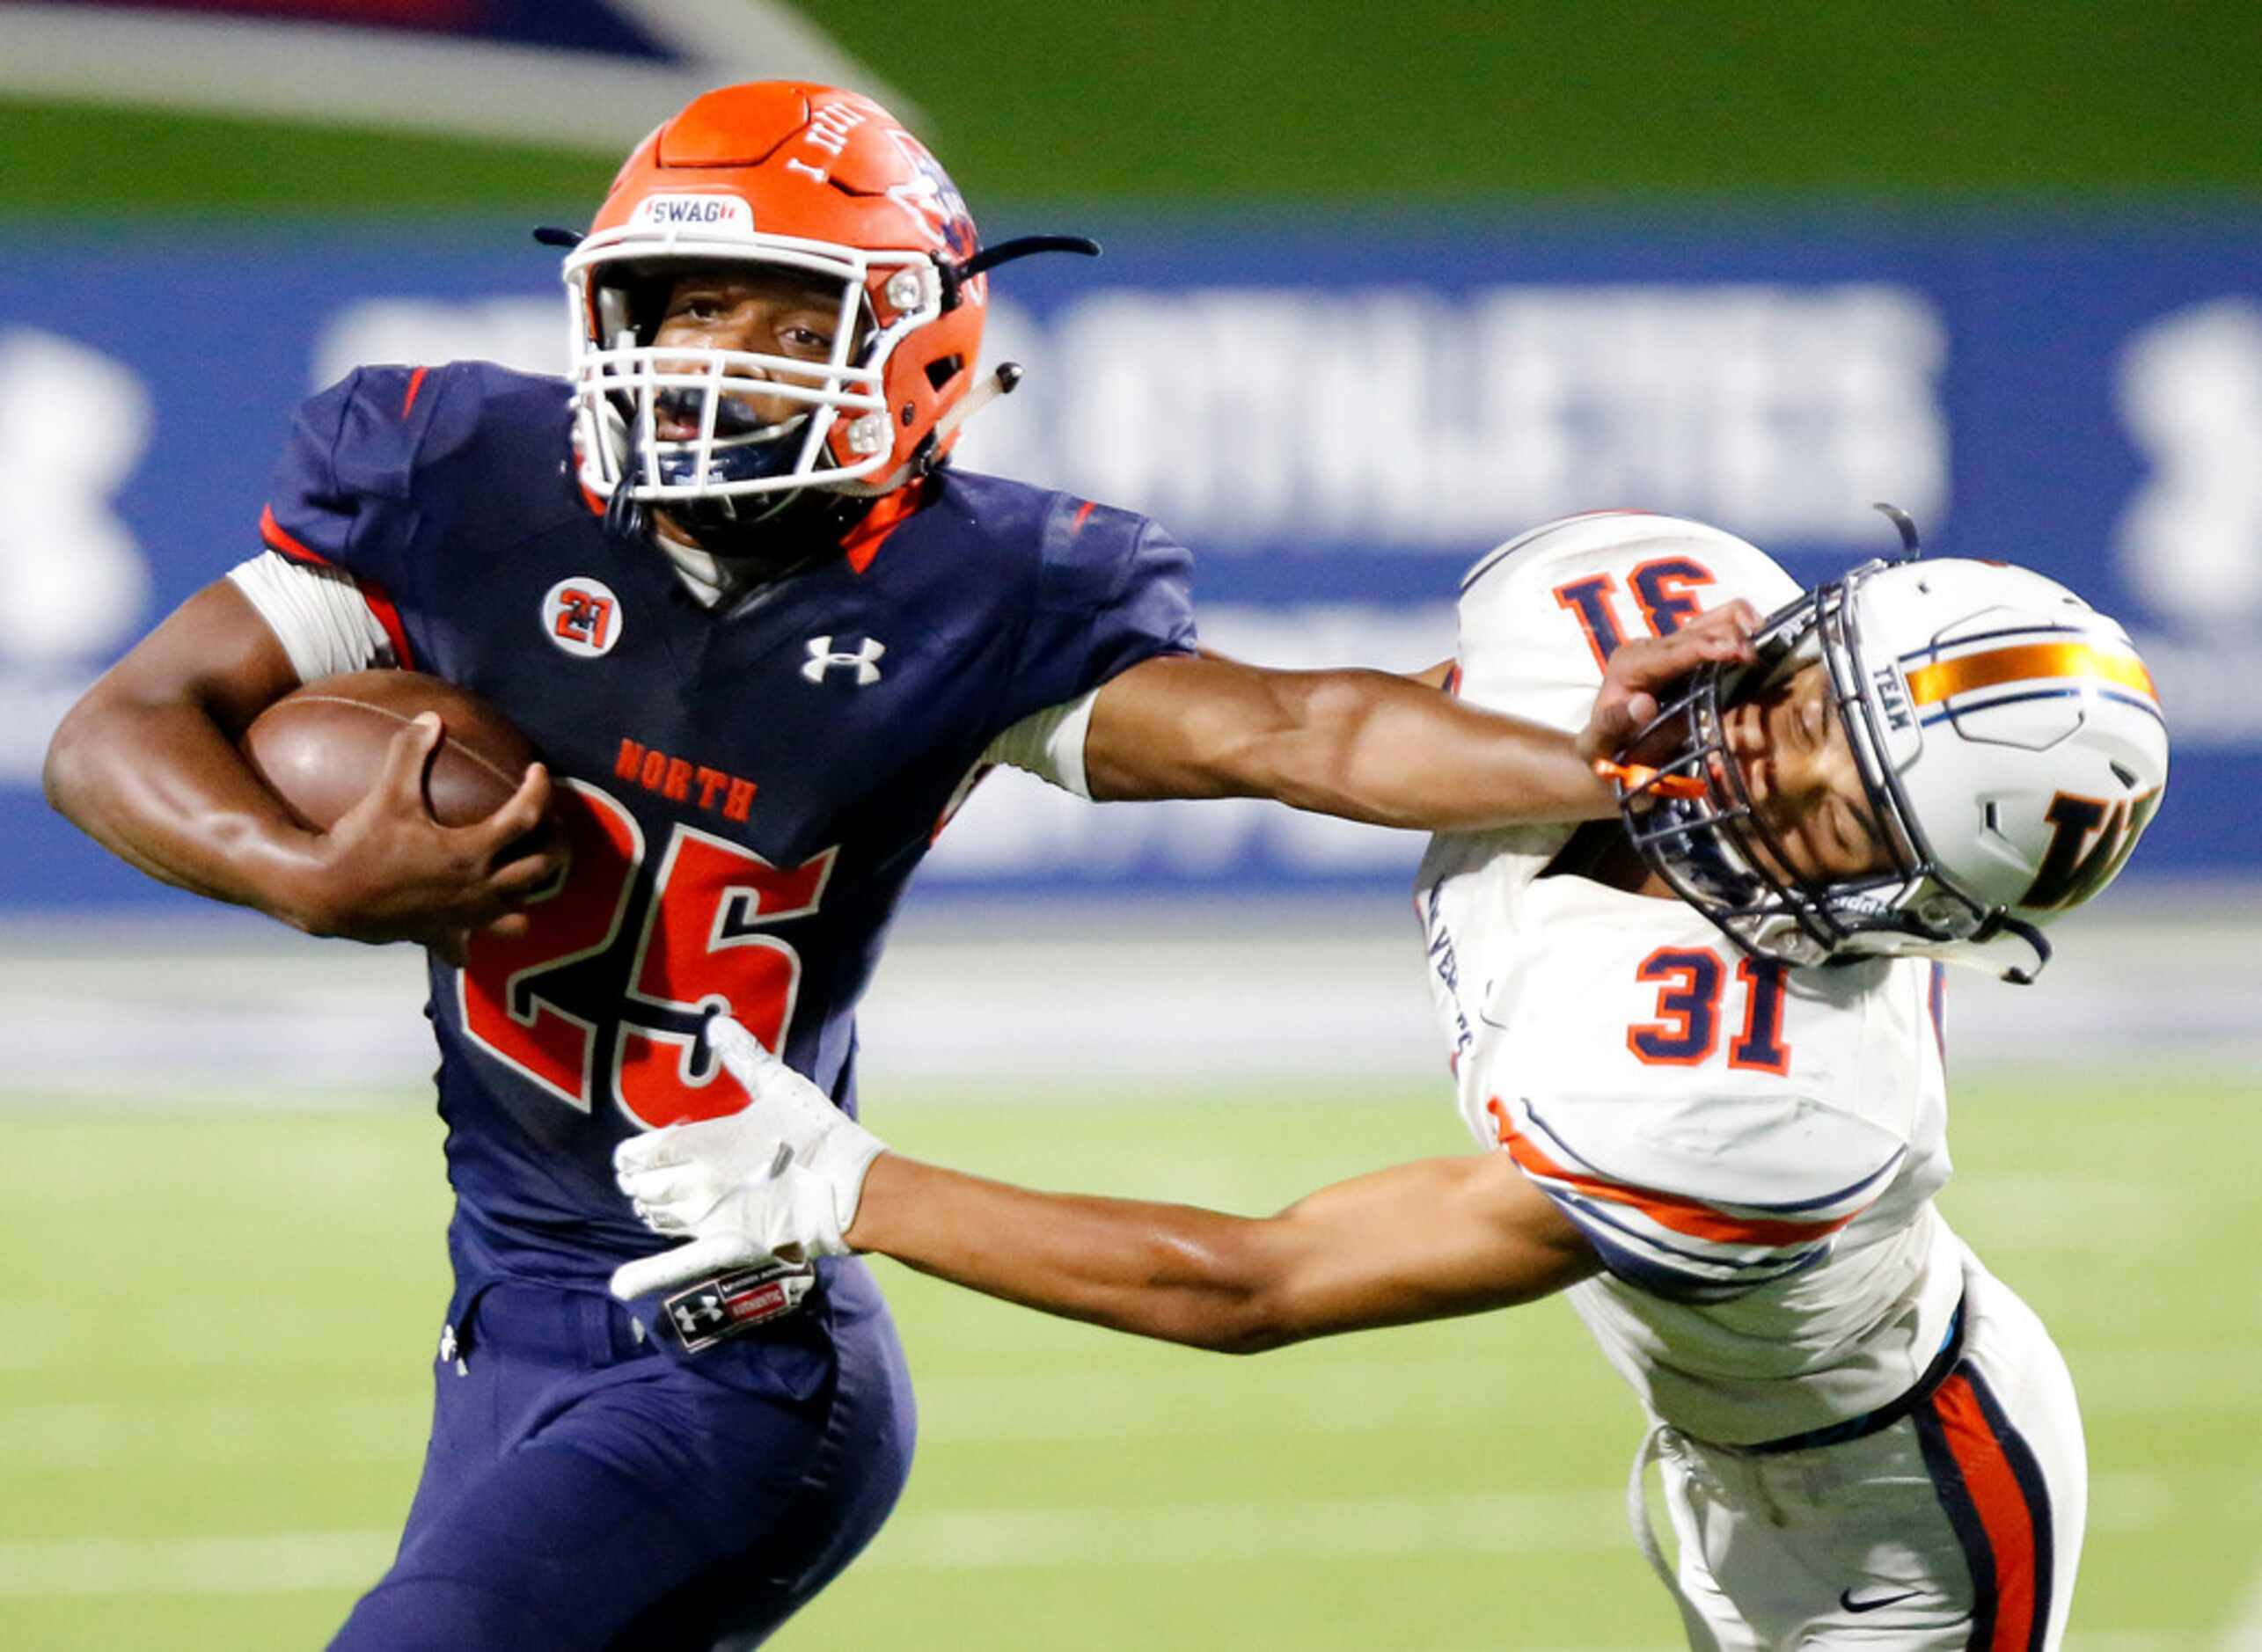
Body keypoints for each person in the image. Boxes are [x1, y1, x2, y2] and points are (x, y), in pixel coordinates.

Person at [40, 84, 1747, 1649]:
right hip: (510, 1308)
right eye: (693, 307)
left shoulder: (975, 593)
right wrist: (295, 871)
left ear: (917, 355)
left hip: (733, 1345)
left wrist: (1597, 764)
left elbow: (1303, 732)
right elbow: (120, 728)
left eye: (796, 320)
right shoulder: (466, 487)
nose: (722, 358)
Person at [613, 510, 2170, 1649]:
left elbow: (1259, 1282)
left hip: (1888, 1524)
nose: (1776, 769)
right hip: (1734, 1447)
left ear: (1908, 911)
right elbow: (1313, 737)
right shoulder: (1623, 616)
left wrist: (852, 1184)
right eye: (1823, 712)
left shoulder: (1768, 1101)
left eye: (1841, 821)